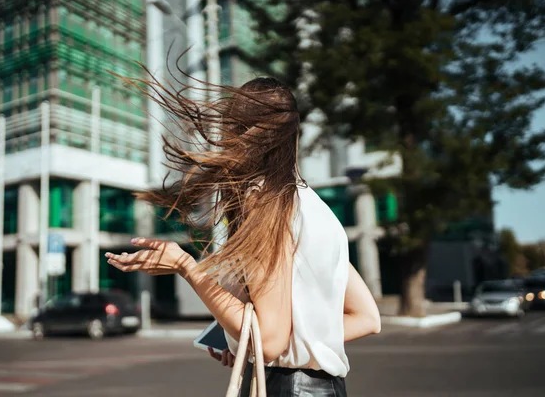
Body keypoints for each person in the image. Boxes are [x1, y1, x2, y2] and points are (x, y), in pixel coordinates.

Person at [105, 76, 381, 396]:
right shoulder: (316, 209)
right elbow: (367, 317)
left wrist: (186, 266)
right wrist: (244, 340)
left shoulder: (265, 203)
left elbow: (272, 341)